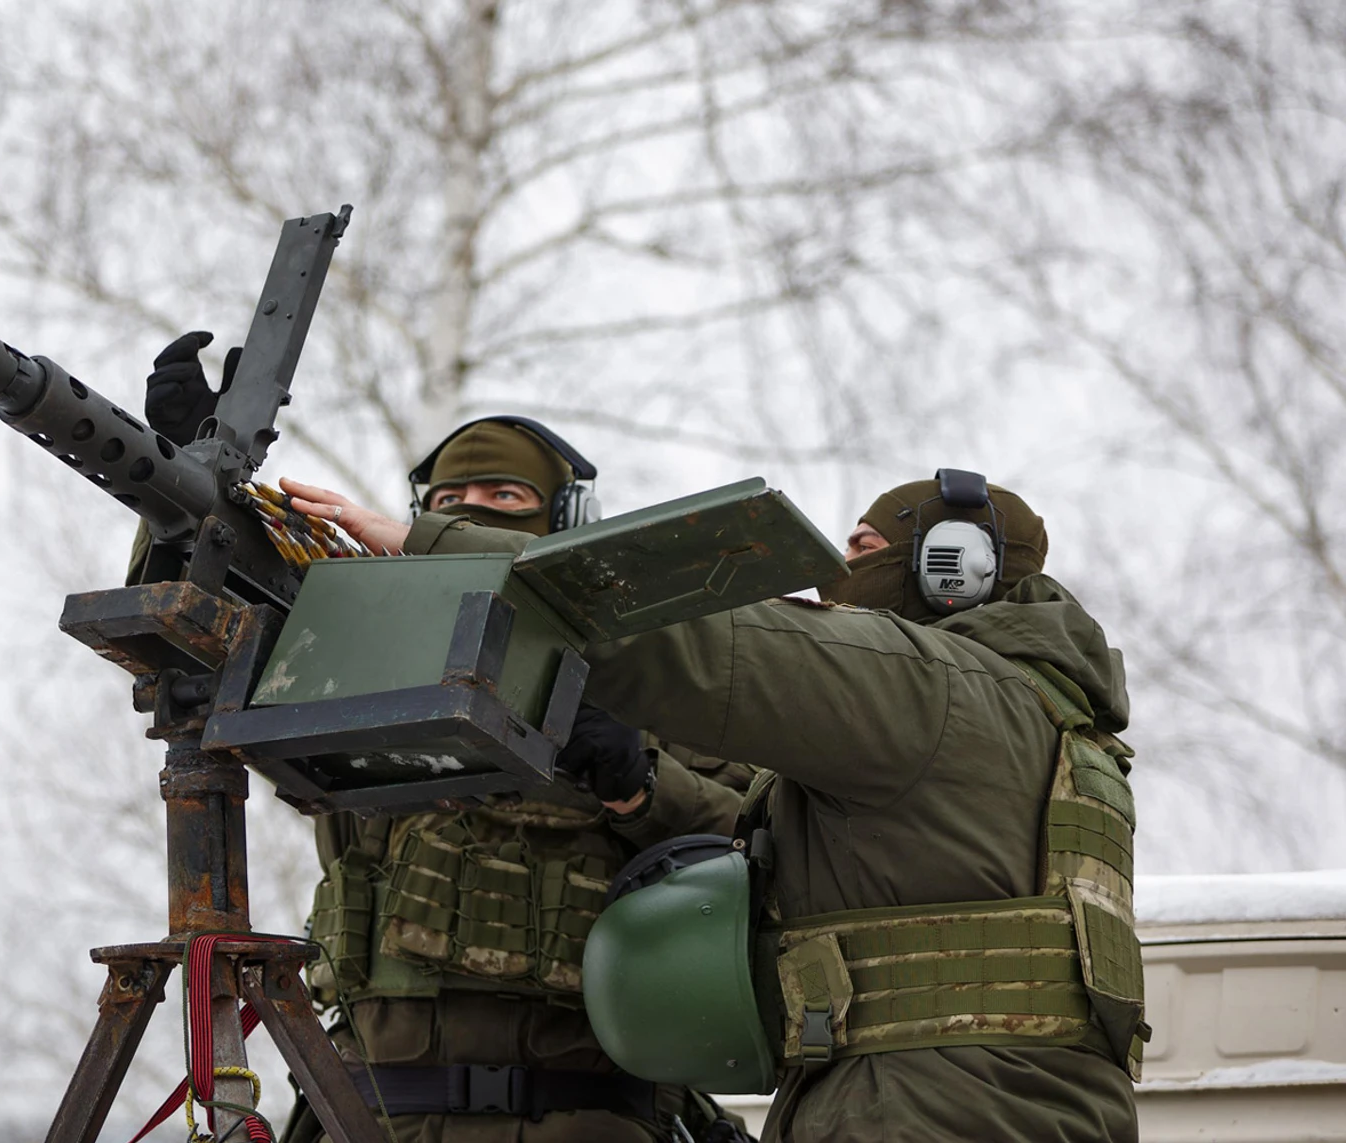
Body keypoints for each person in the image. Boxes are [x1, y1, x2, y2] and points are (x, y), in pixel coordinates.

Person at [280, 470, 1145, 1143]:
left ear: (953, 569)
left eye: (865, 548)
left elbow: (698, 645)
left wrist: (439, 548)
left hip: (926, 1109)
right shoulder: (1062, 728)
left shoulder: (935, 689)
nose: (839, 578)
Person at [142, 332, 757, 1142]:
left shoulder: (657, 678)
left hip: (584, 1117)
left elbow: (766, 843)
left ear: (568, 522)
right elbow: (201, 646)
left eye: (506, 498)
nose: (472, 514)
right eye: (450, 501)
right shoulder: (362, 653)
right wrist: (182, 497)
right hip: (369, 1112)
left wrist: (637, 780)